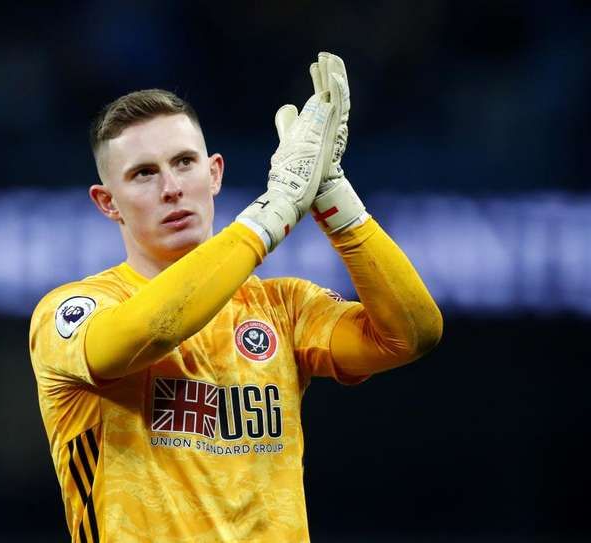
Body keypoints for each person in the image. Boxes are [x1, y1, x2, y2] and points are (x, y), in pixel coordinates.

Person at [29, 52, 442, 542]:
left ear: (215, 174)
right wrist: (274, 210)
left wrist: (333, 196)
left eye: (184, 162)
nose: (171, 188)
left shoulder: (283, 308)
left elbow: (413, 335)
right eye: (143, 173)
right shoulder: (71, 312)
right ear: (107, 202)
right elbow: (151, 330)